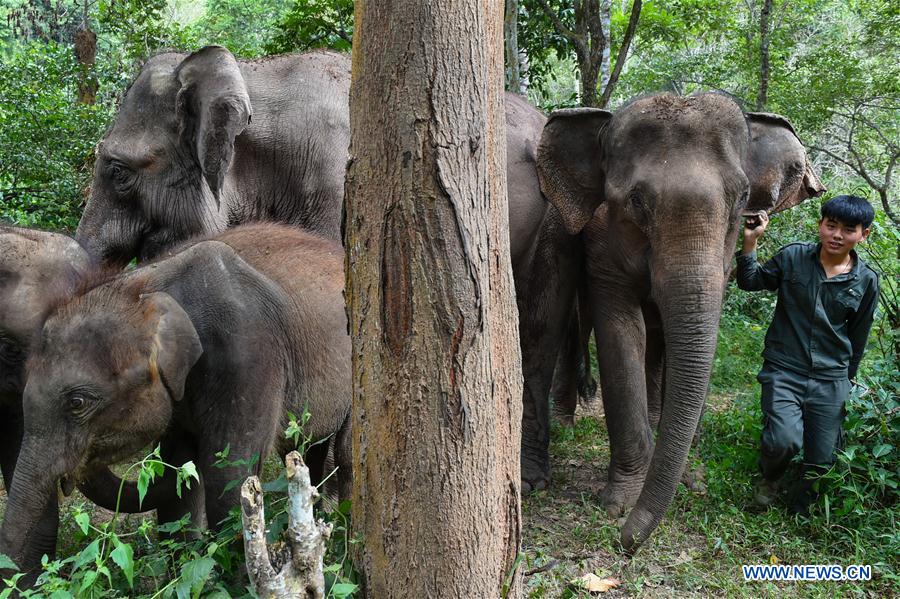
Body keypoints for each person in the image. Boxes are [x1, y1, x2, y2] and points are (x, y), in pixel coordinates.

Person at [735, 195, 880, 515]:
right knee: (783, 440)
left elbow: (858, 337)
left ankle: (802, 507)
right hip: (785, 368)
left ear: (863, 234)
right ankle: (770, 479)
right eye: (831, 225)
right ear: (820, 225)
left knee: (822, 459)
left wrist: (846, 383)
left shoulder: (867, 280)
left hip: (831, 377)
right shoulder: (793, 258)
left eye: (848, 229)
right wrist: (750, 242)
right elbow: (750, 282)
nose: (837, 235)